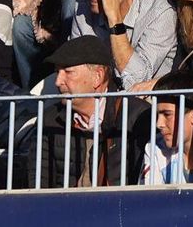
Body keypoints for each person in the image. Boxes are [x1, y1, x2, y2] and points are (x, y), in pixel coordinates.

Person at [11, 36, 150, 189]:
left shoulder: (137, 117)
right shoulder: (49, 120)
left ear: (97, 76)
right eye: (58, 72)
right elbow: (38, 184)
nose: (58, 81)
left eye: (68, 72)